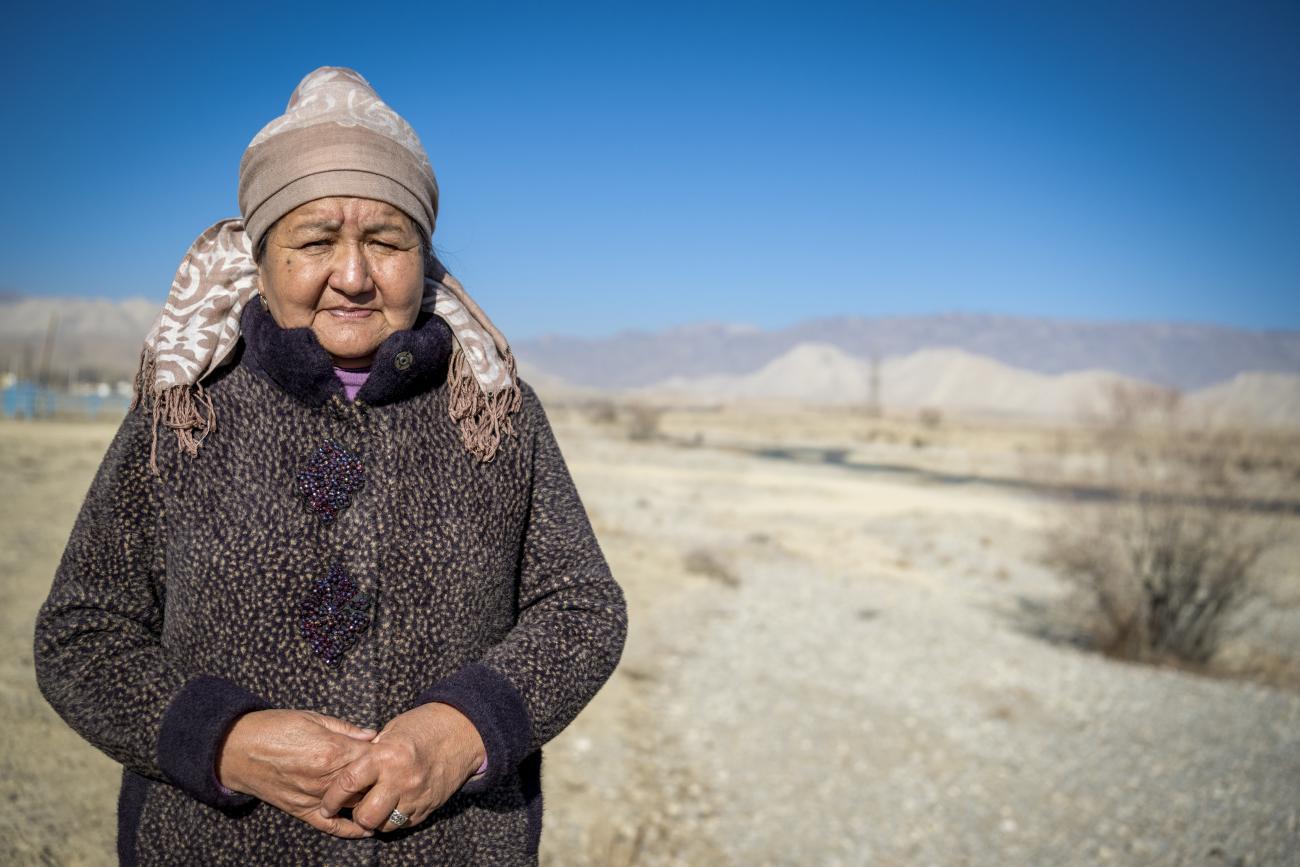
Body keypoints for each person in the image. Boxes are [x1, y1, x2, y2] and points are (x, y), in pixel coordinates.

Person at [33, 66, 628, 865]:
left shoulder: (497, 413)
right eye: (315, 240)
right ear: (263, 255)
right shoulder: (183, 411)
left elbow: (583, 607)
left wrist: (461, 732)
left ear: (425, 257)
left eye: (387, 241)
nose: (352, 275)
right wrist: (226, 741)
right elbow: (81, 633)